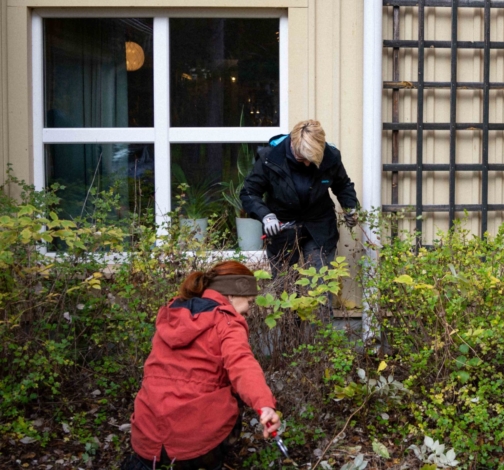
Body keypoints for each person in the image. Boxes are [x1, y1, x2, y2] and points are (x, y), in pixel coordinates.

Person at [121, 261, 281, 470]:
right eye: (249, 302)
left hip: (147, 435)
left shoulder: (172, 313)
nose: (249, 312)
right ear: (231, 295)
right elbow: (242, 363)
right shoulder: (227, 320)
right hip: (196, 440)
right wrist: (264, 404)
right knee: (231, 394)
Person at [240, 119, 359, 278]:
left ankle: (322, 304)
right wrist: (266, 216)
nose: (308, 164)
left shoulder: (330, 156)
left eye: (313, 160)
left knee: (321, 282)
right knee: (284, 286)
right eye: (302, 159)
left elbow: (342, 185)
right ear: (292, 145)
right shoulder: (270, 158)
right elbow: (249, 192)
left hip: (319, 224)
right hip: (283, 226)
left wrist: (350, 207)